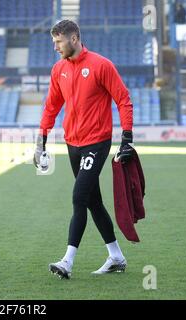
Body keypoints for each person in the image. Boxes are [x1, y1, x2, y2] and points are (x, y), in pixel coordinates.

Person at [34, 20, 134, 279]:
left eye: (59, 42)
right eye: (54, 42)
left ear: (74, 38)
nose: (55, 47)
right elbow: (51, 106)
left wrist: (126, 138)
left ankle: (67, 261)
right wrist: (41, 139)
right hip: (73, 143)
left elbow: (123, 99)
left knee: (79, 197)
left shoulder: (101, 65)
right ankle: (116, 257)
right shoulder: (58, 70)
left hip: (96, 142)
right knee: (93, 201)